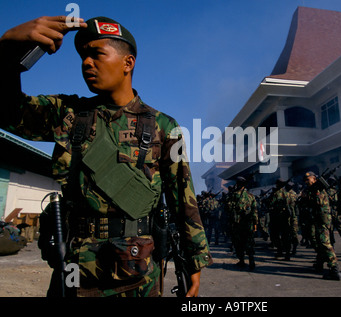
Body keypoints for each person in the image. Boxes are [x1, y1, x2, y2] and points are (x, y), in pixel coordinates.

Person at [0, 15, 212, 297]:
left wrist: (193, 262)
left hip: (138, 272)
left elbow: (183, 198)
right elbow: (7, 112)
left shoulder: (164, 126)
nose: (86, 63)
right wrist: (6, 51)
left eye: (96, 54)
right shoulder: (68, 114)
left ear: (128, 63)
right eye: (83, 57)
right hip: (75, 270)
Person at [302, 171, 341, 280]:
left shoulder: (318, 188)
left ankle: (334, 270)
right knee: (319, 242)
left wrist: (307, 197)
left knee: (324, 242)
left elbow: (317, 202)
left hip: (322, 218)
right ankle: (319, 264)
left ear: (314, 179)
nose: (306, 182)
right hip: (317, 218)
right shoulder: (312, 189)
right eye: (305, 180)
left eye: (308, 179)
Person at [228, 177, 258, 271]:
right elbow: (255, 211)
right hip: (248, 223)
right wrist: (255, 224)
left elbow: (229, 208)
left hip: (237, 224)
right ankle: (251, 261)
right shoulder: (251, 196)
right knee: (249, 242)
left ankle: (242, 261)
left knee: (239, 243)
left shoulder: (234, 195)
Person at [267, 178, 295, 260]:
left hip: (277, 217)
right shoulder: (288, 193)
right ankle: (287, 254)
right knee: (286, 236)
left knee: (275, 235)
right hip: (286, 217)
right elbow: (292, 205)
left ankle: (280, 251)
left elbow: (270, 203)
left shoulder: (276, 193)